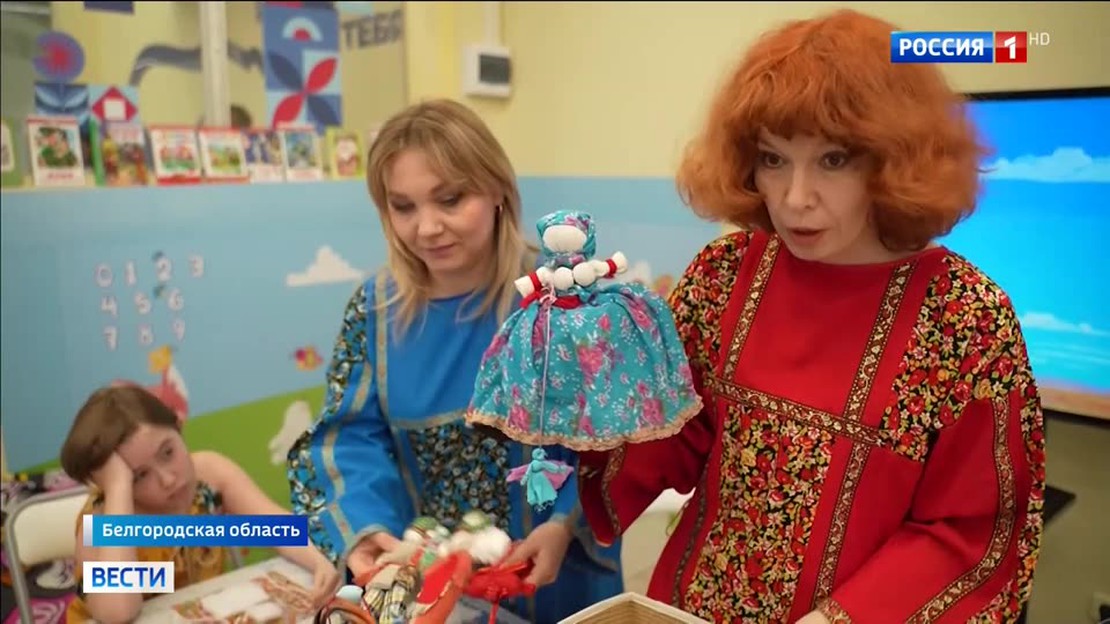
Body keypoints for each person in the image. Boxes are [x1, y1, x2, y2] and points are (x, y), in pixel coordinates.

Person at [577, 9, 1045, 624]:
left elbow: (973, 531)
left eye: (833, 160)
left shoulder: (965, 317)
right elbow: (666, 435)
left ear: (892, 159)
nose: (795, 198)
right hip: (692, 609)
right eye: (773, 159)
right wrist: (585, 392)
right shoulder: (725, 274)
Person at [286, 98, 624, 623]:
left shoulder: (564, 297)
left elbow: (615, 431)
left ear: (496, 189)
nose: (427, 227)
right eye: (403, 207)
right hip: (433, 590)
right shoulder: (375, 311)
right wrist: (368, 529)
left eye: (450, 199)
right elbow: (348, 439)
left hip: (561, 580)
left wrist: (563, 522)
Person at [61, 385, 341, 623]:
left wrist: (319, 560)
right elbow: (119, 612)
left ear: (178, 428)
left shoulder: (209, 476)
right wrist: (118, 490)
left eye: (167, 452)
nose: (168, 479)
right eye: (139, 476)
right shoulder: (101, 522)